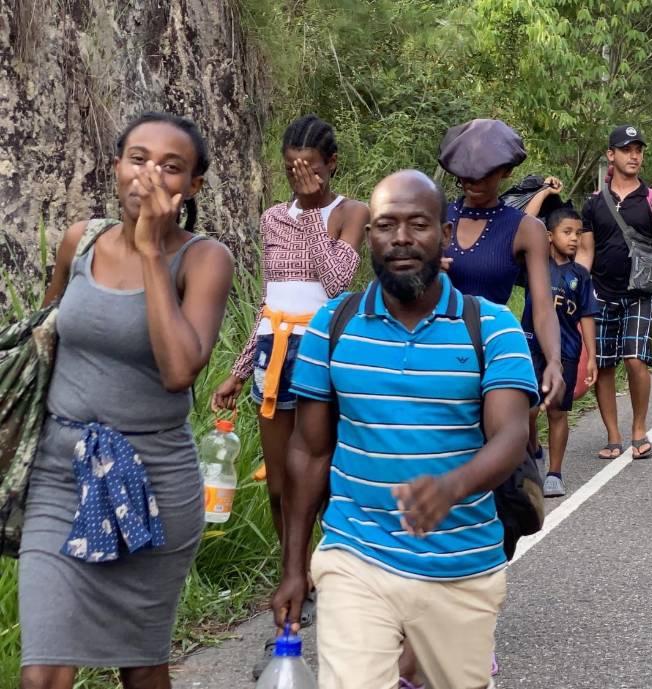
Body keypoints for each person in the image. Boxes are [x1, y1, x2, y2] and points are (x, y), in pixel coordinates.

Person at [272, 170, 539, 689]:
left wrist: (451, 488)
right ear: (368, 235)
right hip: (356, 554)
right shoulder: (333, 323)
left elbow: (511, 437)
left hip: (462, 565)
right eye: (385, 225)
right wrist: (294, 566)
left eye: (417, 224)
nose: (400, 238)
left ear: (443, 232)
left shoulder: (491, 325)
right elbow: (307, 452)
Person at [19, 112, 234, 689]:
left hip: (153, 480)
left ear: (193, 188)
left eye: (172, 167)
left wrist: (148, 252)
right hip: (61, 474)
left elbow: (179, 369)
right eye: (138, 158)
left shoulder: (204, 259)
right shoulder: (79, 240)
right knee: (43, 673)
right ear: (116, 166)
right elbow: (49, 336)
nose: (151, 175)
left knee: (140, 669)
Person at [211, 115, 367, 551]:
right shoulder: (272, 218)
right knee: (279, 485)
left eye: (311, 168)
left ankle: (334, 559)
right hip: (272, 355)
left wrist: (316, 213)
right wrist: (239, 371)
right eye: (291, 168)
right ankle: (293, 571)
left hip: (323, 353)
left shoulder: (352, 213)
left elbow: (336, 281)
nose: (301, 177)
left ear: (332, 164)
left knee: (320, 477)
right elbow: (269, 303)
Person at [438, 118, 565, 410]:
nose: (473, 183)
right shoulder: (436, 215)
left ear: (505, 171)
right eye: (465, 176)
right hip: (437, 352)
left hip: (493, 352)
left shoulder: (526, 228)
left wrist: (554, 361)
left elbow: (543, 307)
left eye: (484, 175)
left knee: (511, 442)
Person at [577, 125, 652, 461]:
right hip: (601, 293)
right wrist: (574, 286)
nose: (634, 156)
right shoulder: (592, 204)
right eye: (627, 149)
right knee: (603, 365)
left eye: (638, 150)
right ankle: (613, 434)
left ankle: (639, 427)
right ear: (611, 155)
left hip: (641, 292)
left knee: (635, 360)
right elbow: (586, 252)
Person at [525, 208, 598, 497]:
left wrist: (591, 356)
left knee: (557, 411)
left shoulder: (580, 275)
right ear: (549, 235)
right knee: (527, 409)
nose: (574, 239)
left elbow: (587, 316)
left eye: (578, 233)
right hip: (530, 346)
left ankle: (554, 473)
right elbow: (522, 225)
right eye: (567, 232)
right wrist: (542, 195)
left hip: (566, 351)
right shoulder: (533, 265)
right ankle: (533, 451)